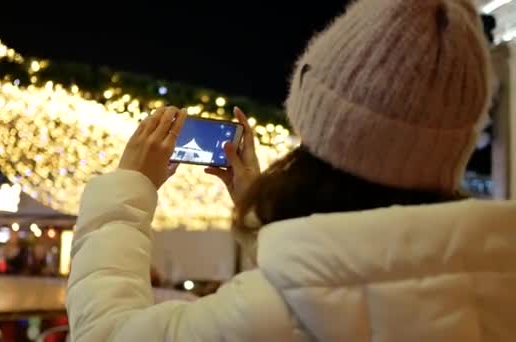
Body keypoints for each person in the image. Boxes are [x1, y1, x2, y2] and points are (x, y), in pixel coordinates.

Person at [67, 0, 516, 341]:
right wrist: (262, 209)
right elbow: (361, 279)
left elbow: (106, 332)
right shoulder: (499, 287)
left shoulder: (270, 314)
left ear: (323, 127)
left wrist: (129, 189)